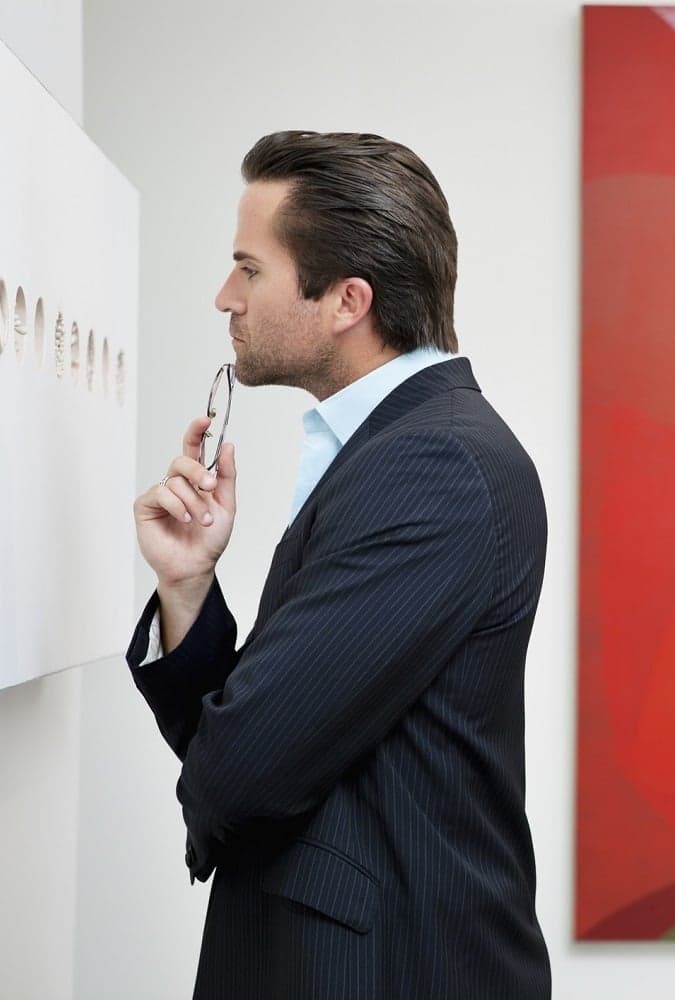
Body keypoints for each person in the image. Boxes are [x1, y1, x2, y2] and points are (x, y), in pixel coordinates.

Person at [127, 130, 551, 999]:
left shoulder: (431, 467)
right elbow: (249, 739)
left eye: (250, 270)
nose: (224, 297)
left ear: (346, 299)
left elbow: (238, 771)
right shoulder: (400, 450)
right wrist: (188, 585)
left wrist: (224, 772)